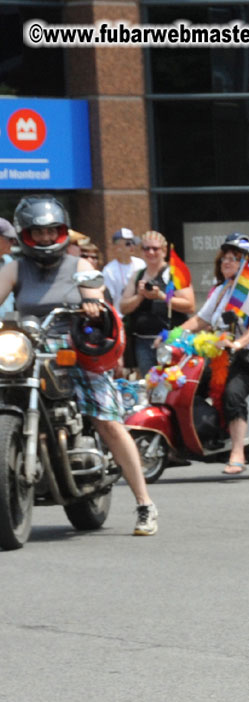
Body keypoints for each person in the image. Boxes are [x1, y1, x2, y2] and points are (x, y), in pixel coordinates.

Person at [0, 196, 158, 535]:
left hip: (73, 348)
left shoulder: (79, 266)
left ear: (60, 233)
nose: (44, 238)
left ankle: (145, 503)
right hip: (29, 348)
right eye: (37, 232)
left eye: (50, 231)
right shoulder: (15, 268)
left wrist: (92, 305)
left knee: (107, 421)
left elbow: (95, 292)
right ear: (26, 235)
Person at [180, 234, 249, 475]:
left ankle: (238, 452)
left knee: (233, 393)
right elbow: (201, 319)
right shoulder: (222, 290)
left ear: (244, 263)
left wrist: (240, 343)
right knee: (187, 384)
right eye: (224, 259)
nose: (227, 263)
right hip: (221, 353)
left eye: (234, 258)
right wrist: (173, 334)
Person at [118, 231, 195, 374]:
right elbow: (123, 307)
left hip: (171, 341)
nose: (151, 252)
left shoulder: (176, 272)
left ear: (164, 251)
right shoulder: (138, 275)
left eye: (155, 248)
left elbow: (190, 306)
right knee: (149, 388)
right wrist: (140, 296)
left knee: (172, 387)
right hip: (143, 343)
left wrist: (161, 296)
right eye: (146, 248)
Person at [102, 228, 144, 313]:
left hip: (140, 314)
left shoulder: (141, 264)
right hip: (121, 317)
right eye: (128, 244)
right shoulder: (109, 271)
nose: (132, 246)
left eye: (134, 242)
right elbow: (108, 300)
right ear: (118, 248)